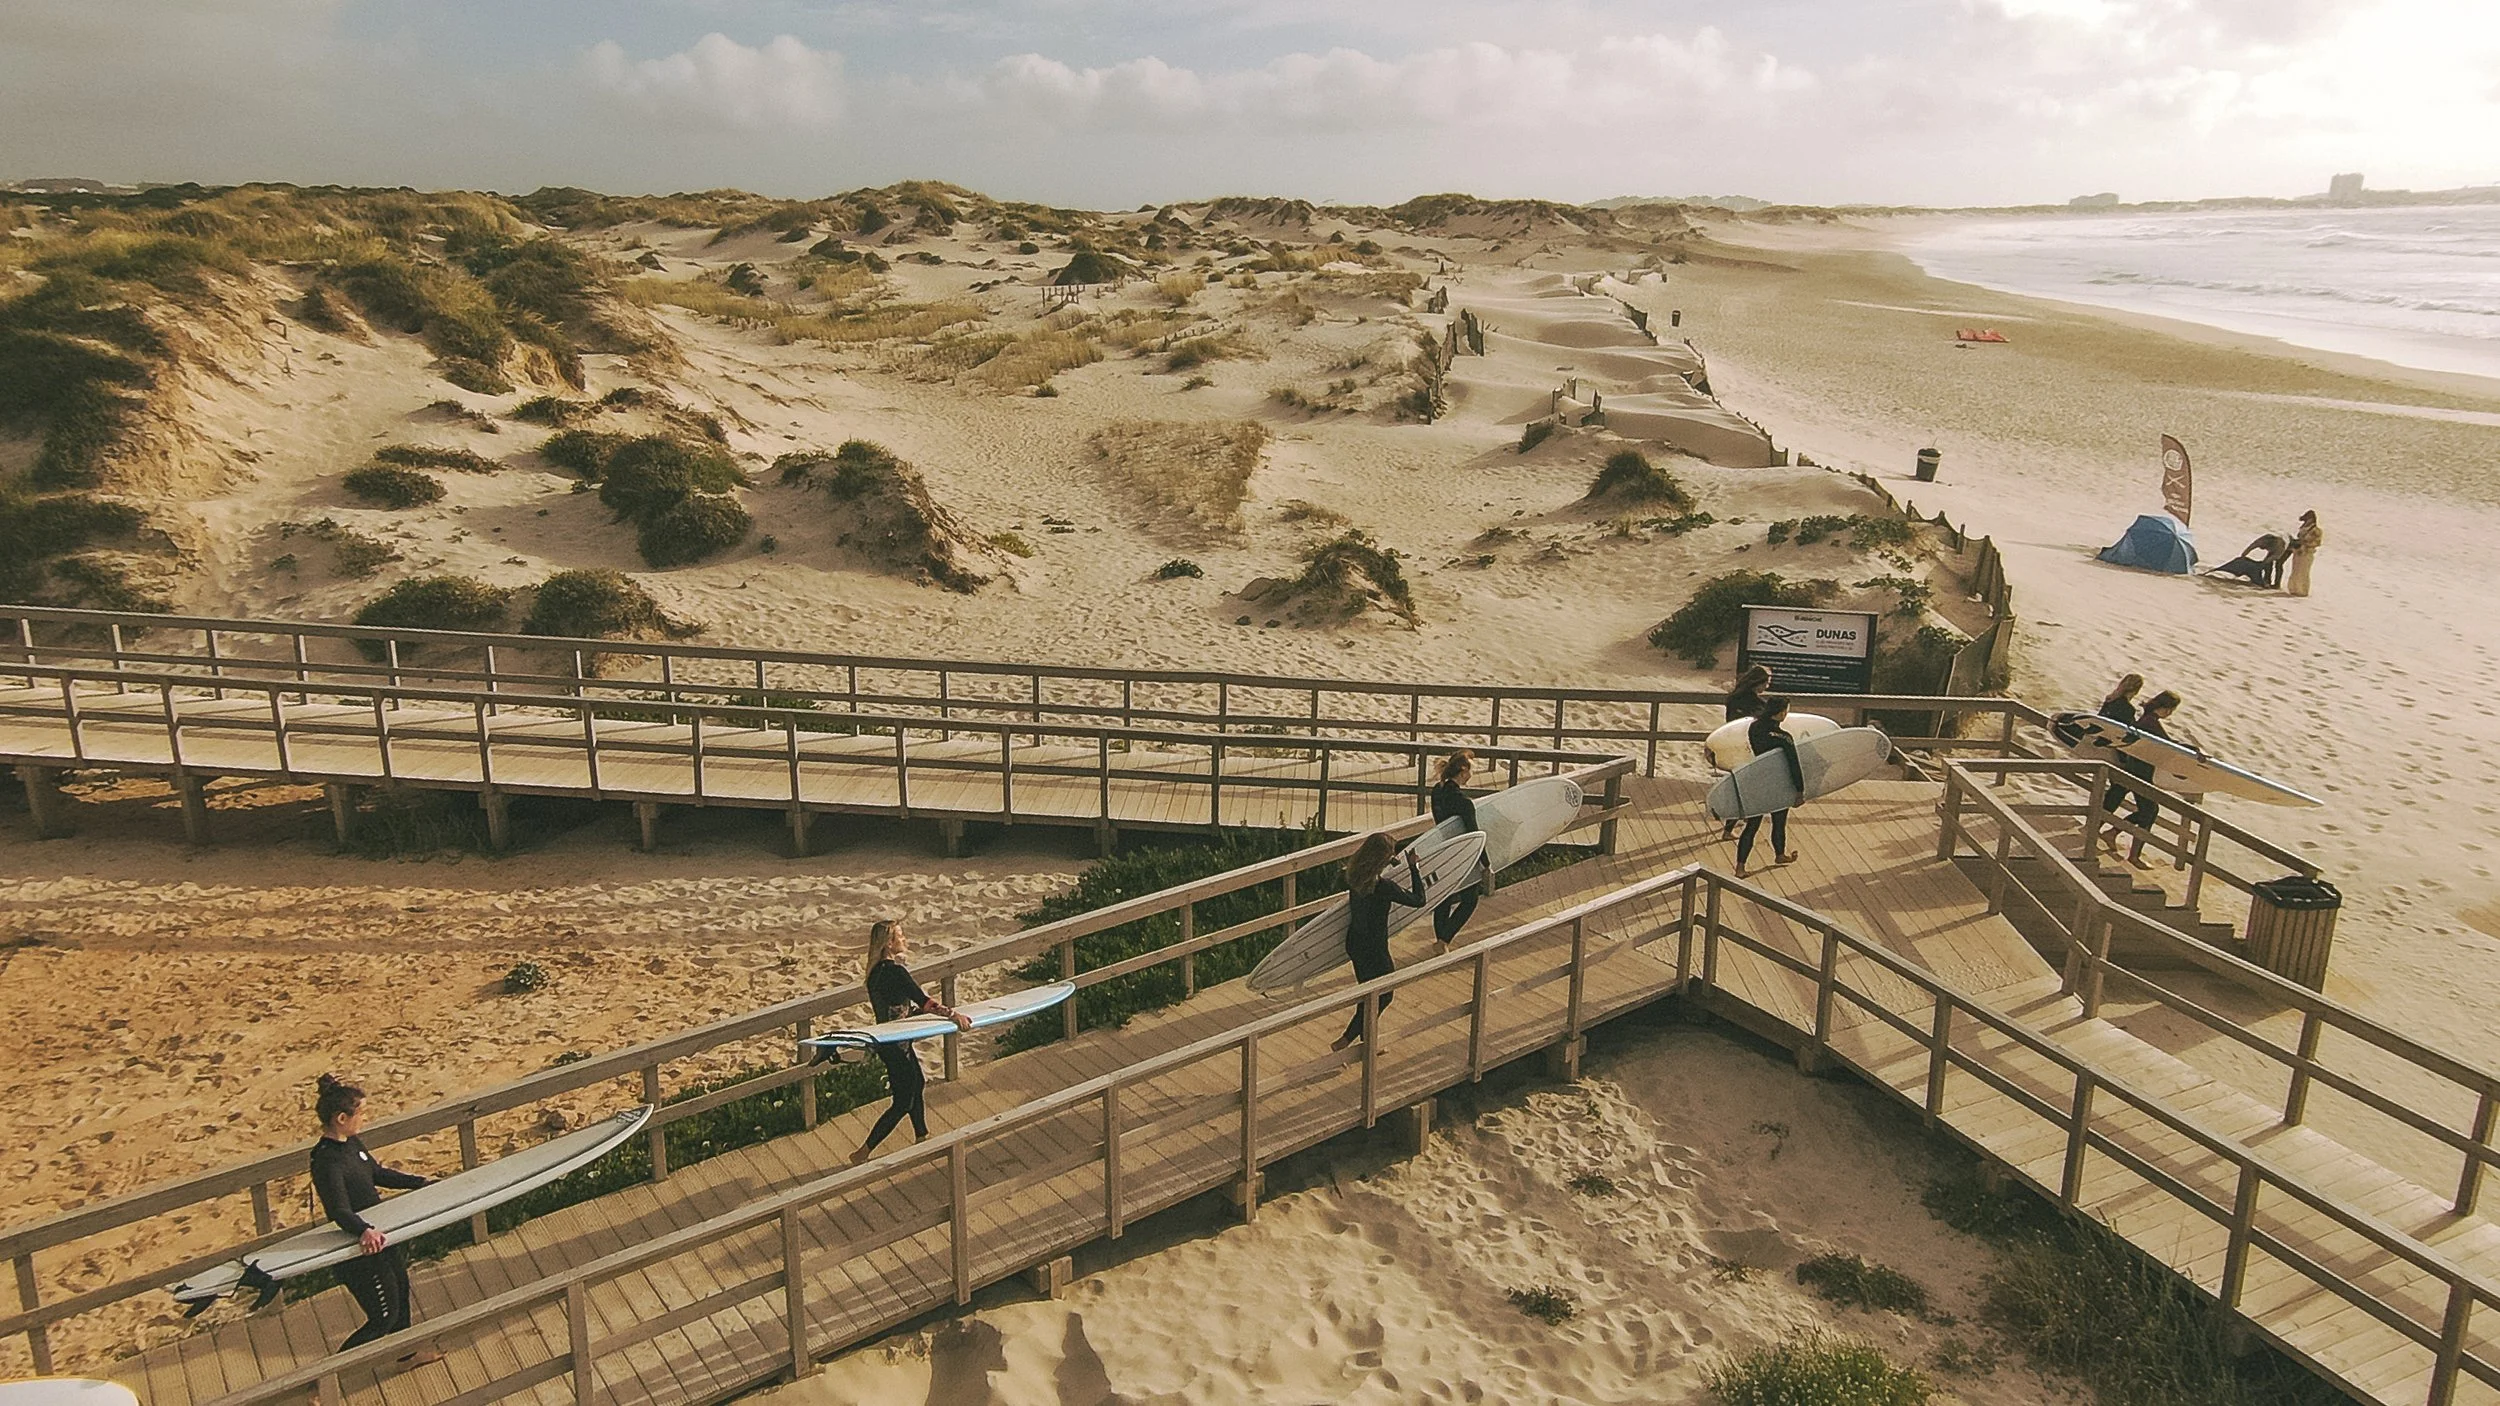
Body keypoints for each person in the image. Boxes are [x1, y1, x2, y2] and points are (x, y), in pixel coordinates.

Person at [308, 1075, 441, 1370]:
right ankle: (321, 1380)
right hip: (359, 1249)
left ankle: (406, 1356)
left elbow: (376, 1173)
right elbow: (339, 1210)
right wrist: (364, 1231)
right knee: (382, 1318)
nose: (364, 1119)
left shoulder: (351, 1142)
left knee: (401, 1289)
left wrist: (418, 1182)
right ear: (341, 1118)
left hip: (379, 1233)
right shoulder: (327, 1162)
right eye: (361, 1113)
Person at [849, 920, 973, 1164]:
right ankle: (863, 1152)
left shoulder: (875, 973)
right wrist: (954, 1015)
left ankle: (922, 1136)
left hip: (890, 1041)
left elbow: (895, 1008)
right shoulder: (895, 972)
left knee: (917, 1083)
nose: (905, 940)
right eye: (900, 936)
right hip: (896, 1046)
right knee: (903, 1101)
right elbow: (923, 1000)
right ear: (889, 943)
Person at [1331, 832, 1426, 1052]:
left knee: (1369, 993)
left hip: (1355, 942)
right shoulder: (1384, 887)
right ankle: (1346, 1040)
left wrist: (1389, 857)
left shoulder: (1352, 876)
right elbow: (1419, 900)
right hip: (1375, 948)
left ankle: (1365, 1041)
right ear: (1383, 858)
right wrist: (1414, 868)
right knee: (1384, 995)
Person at [1733, 697, 1804, 879]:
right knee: (1778, 821)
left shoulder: (1754, 727)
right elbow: (1793, 764)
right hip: (1777, 782)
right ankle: (1779, 855)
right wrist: (1799, 789)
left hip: (1758, 780)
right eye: (1786, 711)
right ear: (1780, 713)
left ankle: (1740, 867)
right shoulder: (1784, 737)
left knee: (1752, 824)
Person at [1427, 750, 1485, 948]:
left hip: (1443, 848)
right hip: (1462, 853)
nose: (1472, 774)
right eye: (1471, 769)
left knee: (1445, 896)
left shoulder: (1437, 792)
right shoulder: (1464, 803)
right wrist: (1485, 863)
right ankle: (1444, 940)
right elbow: (1474, 835)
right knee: (1470, 899)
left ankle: (1441, 940)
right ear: (1462, 771)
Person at [2121, 691, 2183, 868]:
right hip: (2141, 771)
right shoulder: (2150, 722)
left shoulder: (2147, 718)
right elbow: (2167, 744)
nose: (2170, 713)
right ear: (2165, 707)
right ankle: (2134, 856)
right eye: (2170, 710)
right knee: (2150, 810)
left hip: (2138, 768)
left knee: (2147, 810)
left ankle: (2114, 831)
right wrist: (2193, 751)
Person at [2094, 674, 2153, 854]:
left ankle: (2098, 825)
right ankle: (2099, 826)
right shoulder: (2126, 709)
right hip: (2118, 755)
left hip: (2103, 750)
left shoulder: (2110, 701)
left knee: (2117, 790)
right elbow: (2129, 735)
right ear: (2136, 690)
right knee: (2118, 790)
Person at [1720, 665, 1772, 838]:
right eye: (1766, 683)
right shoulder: (1757, 703)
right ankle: (1730, 827)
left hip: (1733, 744)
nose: (1767, 687)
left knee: (1739, 785)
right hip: (1749, 747)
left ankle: (1732, 823)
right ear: (1758, 683)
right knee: (1745, 788)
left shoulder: (1734, 698)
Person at [2285, 511, 2323, 597]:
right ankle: (2294, 588)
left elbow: (2318, 542)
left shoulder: (2316, 530)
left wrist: (2306, 545)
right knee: (2296, 570)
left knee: (2304, 571)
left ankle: (2302, 590)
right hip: (2298, 552)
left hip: (2307, 553)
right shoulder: (2304, 528)